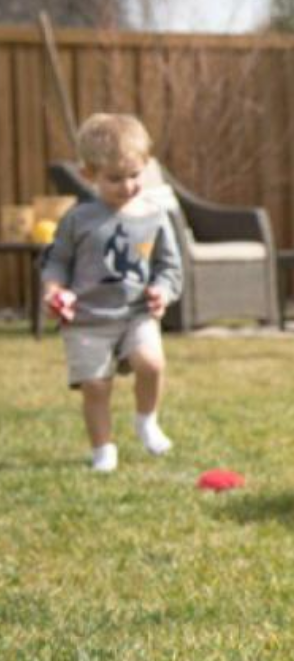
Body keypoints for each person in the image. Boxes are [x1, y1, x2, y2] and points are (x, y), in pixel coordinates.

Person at [41, 113, 183, 474]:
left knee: (151, 363)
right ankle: (103, 450)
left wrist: (162, 292)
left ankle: (146, 420)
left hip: (135, 313)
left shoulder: (155, 215)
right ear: (89, 174)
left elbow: (170, 267)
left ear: (146, 167)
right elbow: (56, 262)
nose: (127, 186)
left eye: (135, 176)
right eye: (114, 179)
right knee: (96, 385)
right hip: (87, 320)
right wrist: (55, 291)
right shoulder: (79, 219)